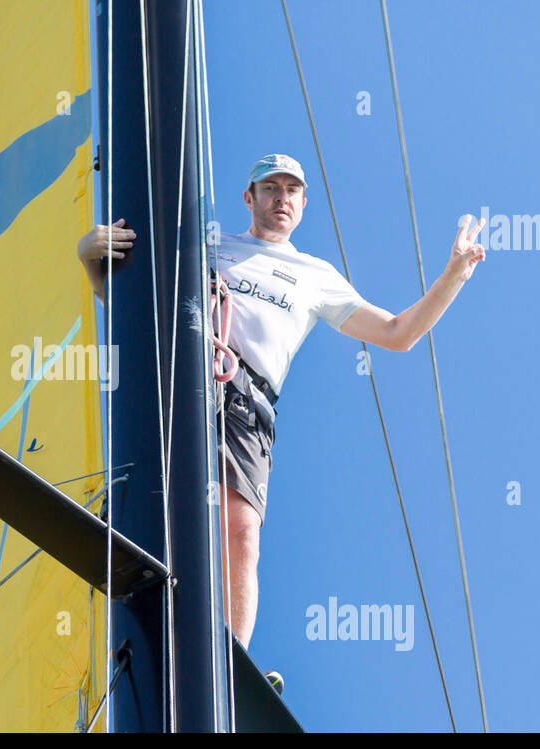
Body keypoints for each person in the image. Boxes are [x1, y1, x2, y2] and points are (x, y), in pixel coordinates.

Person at [77, 153, 486, 652]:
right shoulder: (205, 246)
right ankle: (133, 626)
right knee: (154, 505)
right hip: (174, 379)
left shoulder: (314, 275)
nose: (281, 199)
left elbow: (397, 333)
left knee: (241, 534)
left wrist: (456, 275)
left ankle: (229, 667)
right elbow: (132, 311)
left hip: (245, 406)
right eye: (270, 188)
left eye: (291, 190)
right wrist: (92, 265)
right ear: (248, 198)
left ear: (303, 203)